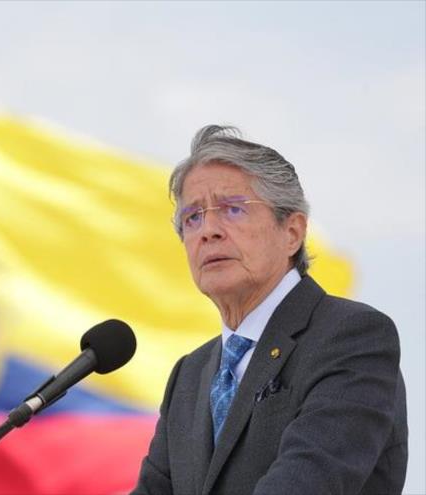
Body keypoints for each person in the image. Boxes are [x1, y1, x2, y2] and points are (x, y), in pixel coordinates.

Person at [133, 125, 407, 495]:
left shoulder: (353, 336)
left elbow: (309, 482)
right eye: (193, 217)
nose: (207, 231)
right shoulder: (189, 374)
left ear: (292, 232)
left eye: (232, 209)